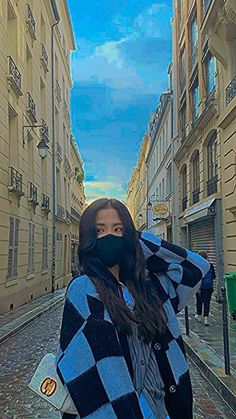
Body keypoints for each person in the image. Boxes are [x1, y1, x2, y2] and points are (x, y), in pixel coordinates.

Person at [55, 198, 210, 419]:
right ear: (89, 237)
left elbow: (197, 267)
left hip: (164, 409)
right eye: (99, 230)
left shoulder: (151, 287)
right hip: (122, 410)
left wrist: (136, 240)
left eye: (118, 229)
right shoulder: (84, 289)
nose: (109, 236)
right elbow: (86, 365)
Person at [194, 250, 216, 326]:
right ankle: (206, 318)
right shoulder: (210, 265)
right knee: (207, 302)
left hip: (199, 287)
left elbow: (195, 277)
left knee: (199, 301)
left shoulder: (197, 265)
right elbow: (213, 276)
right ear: (206, 257)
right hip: (208, 287)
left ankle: (199, 315)